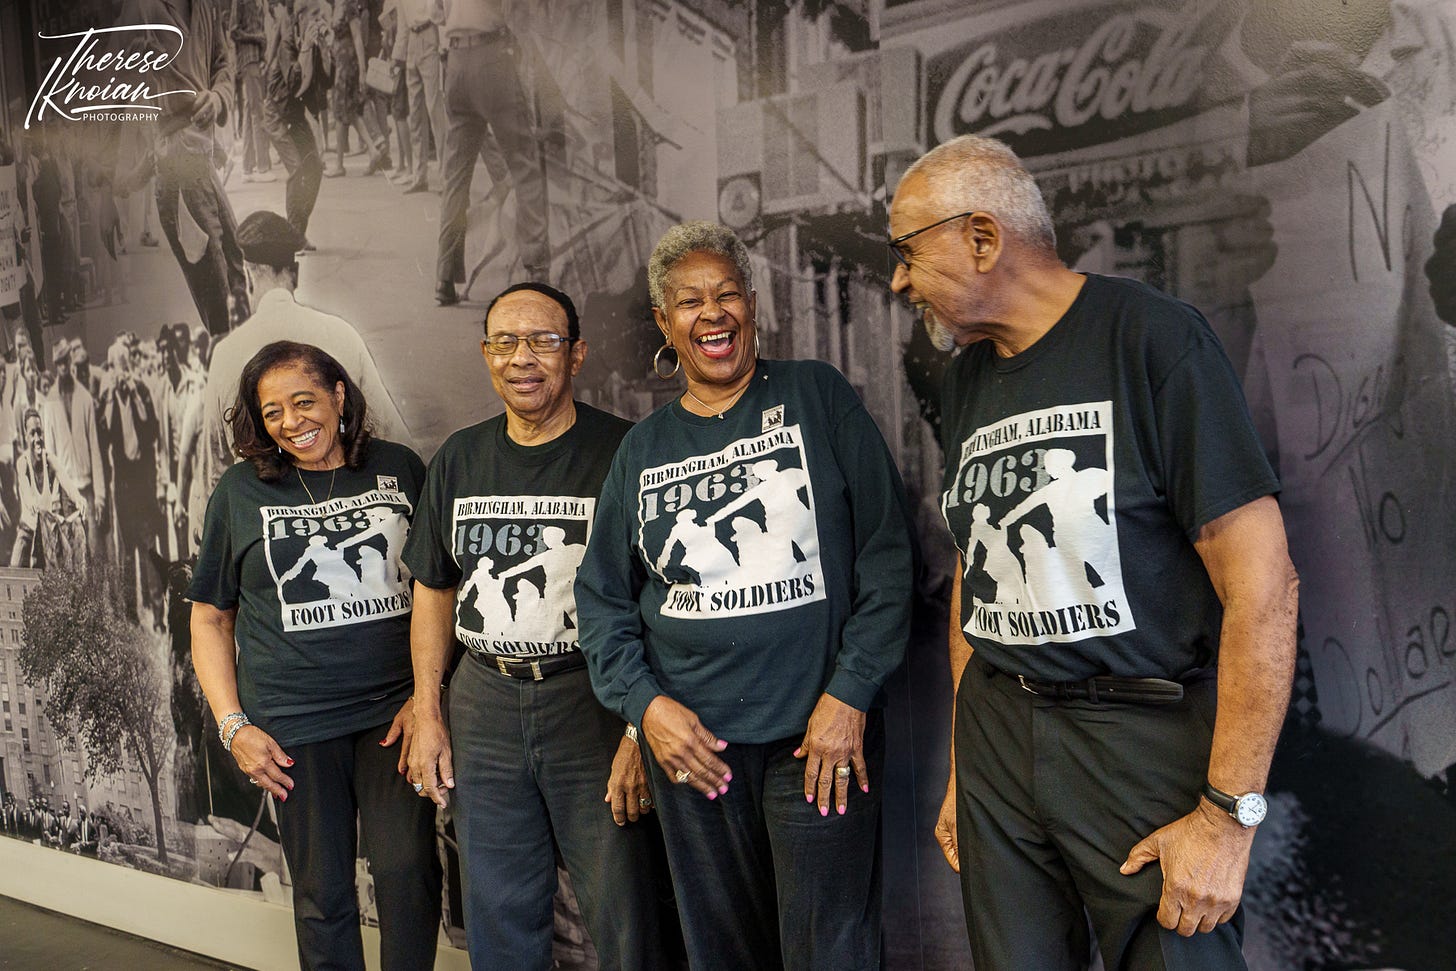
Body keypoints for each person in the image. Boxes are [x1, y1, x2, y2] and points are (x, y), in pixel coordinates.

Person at [886, 134, 1300, 970]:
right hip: (1001, 729)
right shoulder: (965, 381)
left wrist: (1227, 815)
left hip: (1139, 736)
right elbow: (978, 572)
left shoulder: (1151, 338)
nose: (898, 280)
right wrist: (969, 767)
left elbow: (1264, 584)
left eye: (906, 251)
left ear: (981, 237)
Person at [576, 221, 916, 969]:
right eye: (690, 301)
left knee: (830, 951)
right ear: (666, 324)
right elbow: (601, 602)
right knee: (724, 953)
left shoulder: (816, 396)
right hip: (696, 750)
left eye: (727, 292)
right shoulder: (643, 448)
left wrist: (850, 694)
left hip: (818, 739)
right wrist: (646, 713)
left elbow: (888, 558)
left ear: (754, 305)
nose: (713, 312)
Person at [403, 282, 676, 969]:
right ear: (486, 353)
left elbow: (660, 603)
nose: (523, 358)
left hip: (591, 699)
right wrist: (430, 709)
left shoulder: (626, 450)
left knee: (626, 910)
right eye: (506, 341)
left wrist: (637, 726)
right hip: (484, 705)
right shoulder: (460, 459)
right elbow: (433, 592)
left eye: (544, 341)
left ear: (577, 354)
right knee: (500, 914)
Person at [188, 340, 441, 970]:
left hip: (395, 716)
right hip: (295, 723)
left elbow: (441, 587)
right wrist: (232, 726)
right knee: (322, 891)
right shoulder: (240, 492)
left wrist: (427, 701)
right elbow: (210, 619)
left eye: (304, 401)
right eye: (272, 412)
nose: (292, 422)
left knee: (408, 875)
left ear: (339, 395)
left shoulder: (400, 467)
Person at [432, 0, 550, 305]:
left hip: (455, 61)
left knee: (455, 176)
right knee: (525, 166)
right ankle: (537, 270)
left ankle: (443, 276)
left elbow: (436, 13)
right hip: (491, 57)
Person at [262, 0, 326, 246]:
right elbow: (293, 80)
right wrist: (307, 49)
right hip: (277, 115)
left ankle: (298, 230)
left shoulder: (312, 41)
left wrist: (325, 51)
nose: (320, 19)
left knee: (315, 168)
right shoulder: (288, 44)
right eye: (315, 14)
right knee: (298, 170)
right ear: (301, 17)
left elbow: (324, 81)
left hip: (295, 115)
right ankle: (294, 235)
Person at [391, 0, 447, 194]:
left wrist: (443, 47)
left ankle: (445, 177)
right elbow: (402, 25)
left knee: (434, 110)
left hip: (429, 35)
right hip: (411, 44)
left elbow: (441, 13)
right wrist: (396, 57)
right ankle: (419, 176)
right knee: (415, 114)